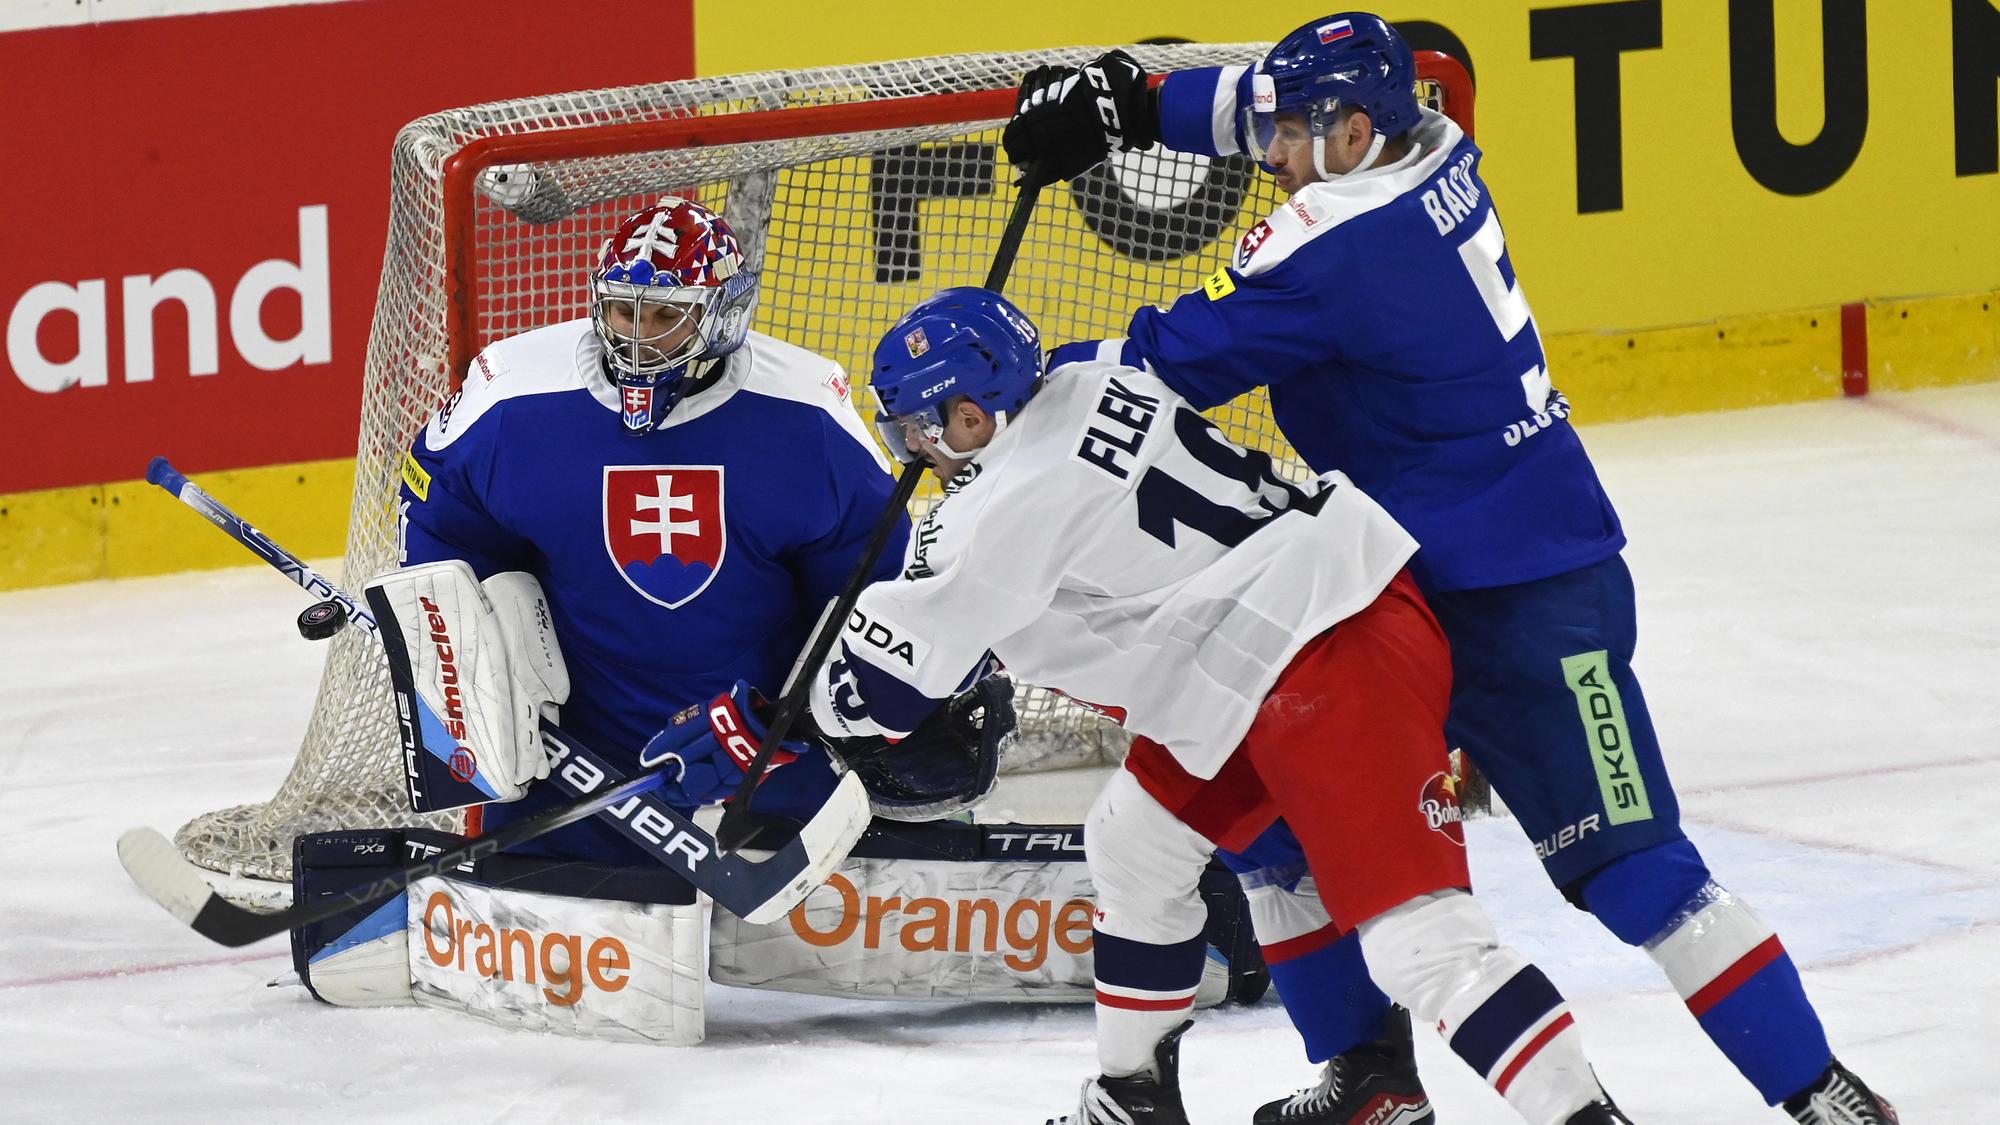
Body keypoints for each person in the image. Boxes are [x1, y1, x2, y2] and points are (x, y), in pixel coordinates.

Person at [1000, 15, 1897, 1124]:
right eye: (1275, 127)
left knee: (1637, 875)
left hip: (1528, 604)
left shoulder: (1336, 250)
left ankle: (1825, 1098)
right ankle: (1371, 1084)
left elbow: (1165, 366)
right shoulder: (1424, 143)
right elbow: (1262, 104)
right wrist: (1134, 108)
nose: (1268, 154)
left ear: (1353, 128)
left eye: (1292, 132)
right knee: (1272, 836)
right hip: (1382, 596)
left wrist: (1009, 385)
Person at [809, 287, 1636, 1125]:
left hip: (1325, 657)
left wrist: (812, 689)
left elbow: (886, 699)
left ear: (974, 417)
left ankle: (1583, 1116)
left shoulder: (994, 518)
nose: (916, 450)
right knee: (1136, 843)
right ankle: (1177, 1097)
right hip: (1269, 644)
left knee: (1420, 940)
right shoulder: (1090, 370)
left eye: (921, 427)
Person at [393, 194, 920, 853]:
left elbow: (876, 600)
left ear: (720, 315)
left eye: (667, 314)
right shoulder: (513, 397)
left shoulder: (807, 415)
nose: (637, 335)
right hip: (572, 755)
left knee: (856, 925)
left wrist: (791, 726)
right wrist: (470, 671)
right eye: (623, 309)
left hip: (759, 750)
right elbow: (440, 526)